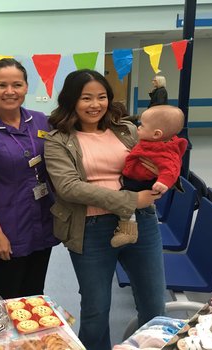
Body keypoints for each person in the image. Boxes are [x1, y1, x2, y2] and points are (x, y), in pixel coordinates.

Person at [44, 69, 166, 350]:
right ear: (71, 100)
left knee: (154, 304)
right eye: (86, 98)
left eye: (101, 97)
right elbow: (69, 187)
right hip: (89, 229)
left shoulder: (128, 130)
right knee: (96, 311)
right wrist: (130, 200)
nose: (95, 104)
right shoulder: (57, 140)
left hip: (142, 223)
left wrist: (162, 173)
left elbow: (158, 158)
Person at [0, 58, 59, 299]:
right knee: (7, 296)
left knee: (35, 294)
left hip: (41, 221)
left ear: (26, 87)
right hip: (7, 226)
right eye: (1, 85)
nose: (10, 91)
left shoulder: (40, 121)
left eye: (17, 84)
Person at [111, 105, 188, 247]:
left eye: (142, 126)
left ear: (157, 134)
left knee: (125, 201)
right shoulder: (151, 141)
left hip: (141, 182)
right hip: (135, 177)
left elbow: (171, 169)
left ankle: (128, 230)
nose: (138, 128)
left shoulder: (165, 150)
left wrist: (163, 182)